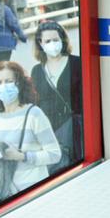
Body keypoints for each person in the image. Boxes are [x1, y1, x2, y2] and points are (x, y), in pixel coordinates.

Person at [0, 61, 61, 196]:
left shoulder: (34, 114)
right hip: (6, 192)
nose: (3, 86)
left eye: (9, 81)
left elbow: (55, 154)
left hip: (35, 190)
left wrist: (22, 156)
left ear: (19, 84)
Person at [30, 21, 83, 173]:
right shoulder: (37, 70)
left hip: (77, 131)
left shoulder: (77, 63)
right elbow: (36, 103)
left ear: (62, 40)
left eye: (55, 39)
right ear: (40, 43)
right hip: (51, 132)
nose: (52, 44)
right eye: (48, 41)